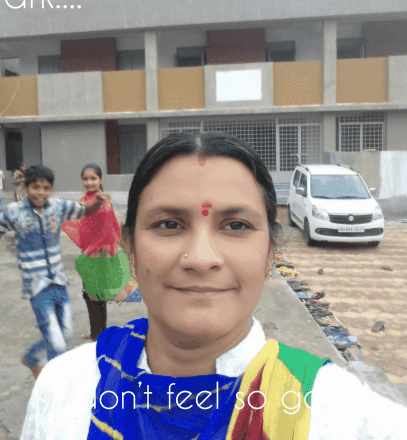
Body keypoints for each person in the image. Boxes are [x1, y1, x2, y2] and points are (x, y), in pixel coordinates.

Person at [20, 134, 406, 439]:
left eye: (236, 225)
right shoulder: (63, 388)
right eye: (169, 224)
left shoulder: (339, 412)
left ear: (270, 254)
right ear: (131, 250)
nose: (201, 258)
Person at [0, 165, 112, 380]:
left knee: (65, 333)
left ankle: (31, 358)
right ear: (25, 188)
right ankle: (53, 383)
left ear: (51, 189)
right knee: (57, 342)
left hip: (59, 281)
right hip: (37, 286)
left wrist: (98, 202)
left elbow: (86, 210)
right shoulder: (13, 212)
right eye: (35, 187)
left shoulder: (58, 207)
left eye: (46, 188)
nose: (41, 193)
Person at [61, 163, 132, 342]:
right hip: (90, 253)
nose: (89, 182)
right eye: (85, 179)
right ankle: (98, 333)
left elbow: (108, 230)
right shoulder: (85, 200)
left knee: (93, 295)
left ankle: (98, 336)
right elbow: (82, 225)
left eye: (93, 178)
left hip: (100, 255)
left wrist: (109, 247)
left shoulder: (103, 201)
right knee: (95, 295)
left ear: (101, 179)